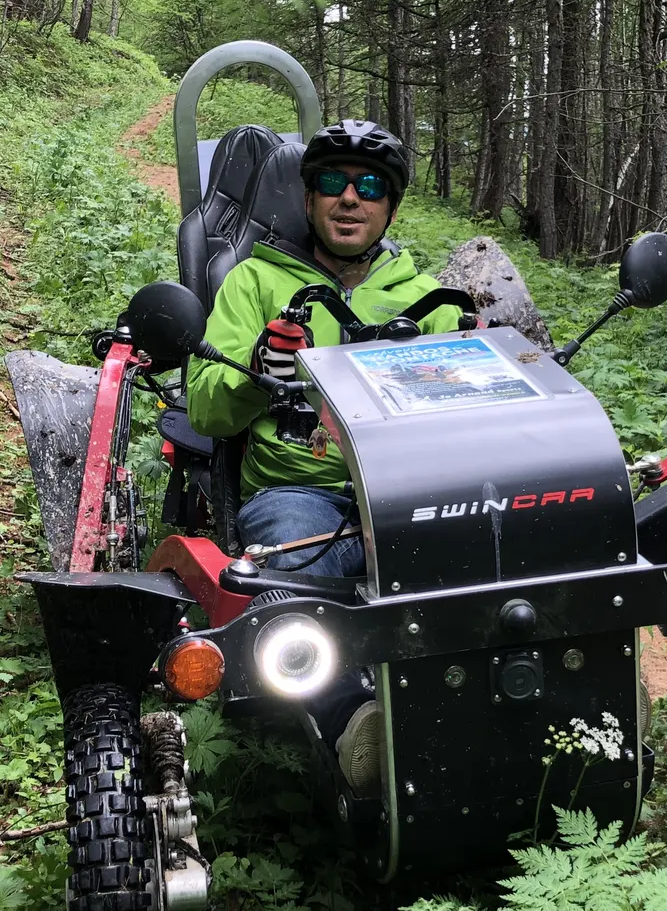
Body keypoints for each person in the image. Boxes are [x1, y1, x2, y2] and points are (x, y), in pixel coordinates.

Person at [186, 120, 463, 575]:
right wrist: (257, 370)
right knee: (298, 577)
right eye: (333, 183)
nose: (350, 198)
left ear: (390, 210)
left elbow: (465, 422)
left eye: (370, 186)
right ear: (309, 200)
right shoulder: (253, 281)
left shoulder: (430, 301)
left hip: (410, 493)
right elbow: (205, 411)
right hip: (296, 495)